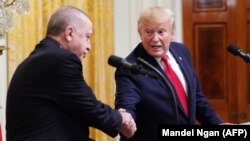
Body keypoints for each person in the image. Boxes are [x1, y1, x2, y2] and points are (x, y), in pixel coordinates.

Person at [6, 6, 136, 141]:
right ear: (69, 33)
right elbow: (88, 106)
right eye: (87, 37)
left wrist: (116, 117)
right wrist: (120, 118)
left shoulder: (41, 58)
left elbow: (72, 116)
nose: (89, 46)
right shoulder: (60, 59)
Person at [114, 6, 224, 141]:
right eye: (149, 32)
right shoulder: (129, 67)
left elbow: (196, 98)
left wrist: (219, 126)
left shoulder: (181, 51)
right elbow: (127, 103)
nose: (155, 38)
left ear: (172, 33)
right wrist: (126, 117)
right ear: (140, 33)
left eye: (161, 32)